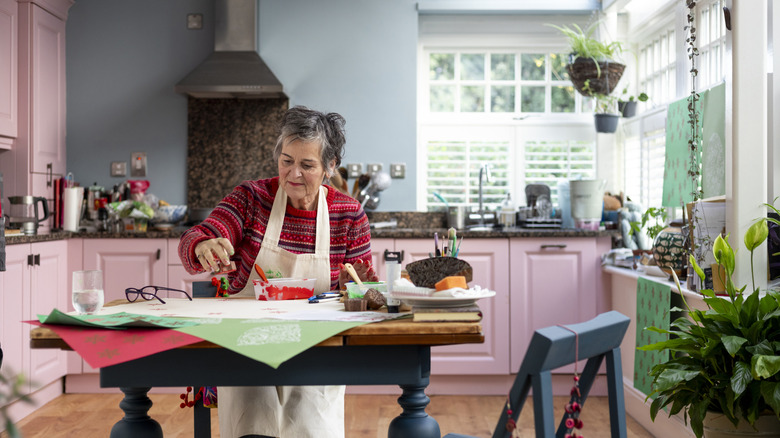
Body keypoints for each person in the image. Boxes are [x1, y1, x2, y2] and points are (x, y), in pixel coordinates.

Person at [178, 105, 378, 438]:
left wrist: (353, 288)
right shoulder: (252, 198)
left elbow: (367, 294)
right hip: (246, 347)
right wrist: (204, 246)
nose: (293, 174)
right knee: (252, 426)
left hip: (318, 351)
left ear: (330, 167)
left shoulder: (349, 214)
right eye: (286, 161)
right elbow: (201, 235)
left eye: (307, 165)